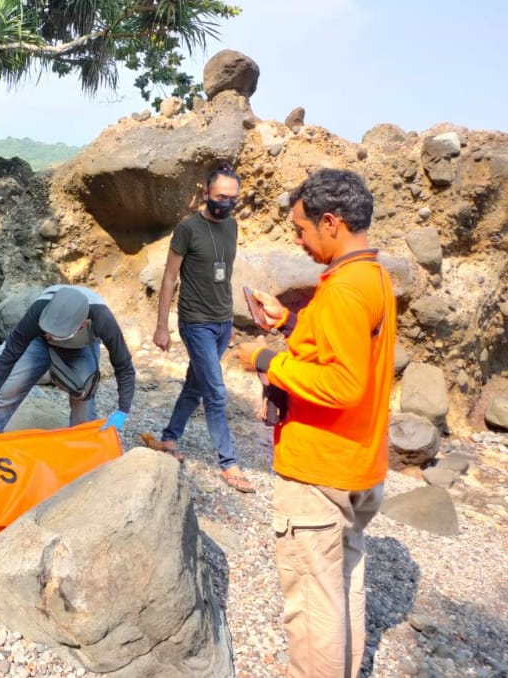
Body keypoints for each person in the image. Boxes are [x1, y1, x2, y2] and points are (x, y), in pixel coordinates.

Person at [237, 168, 396, 677]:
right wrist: (287, 322)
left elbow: (344, 383)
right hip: (356, 465)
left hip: (319, 473)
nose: (300, 242)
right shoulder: (370, 276)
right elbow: (339, 344)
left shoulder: (347, 288)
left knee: (312, 605)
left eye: (302, 230)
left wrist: (266, 361)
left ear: (331, 222)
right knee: (342, 588)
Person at [150, 166, 253, 493]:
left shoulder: (232, 226)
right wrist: (162, 326)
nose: (227, 204)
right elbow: (169, 278)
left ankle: (169, 439)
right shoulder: (188, 229)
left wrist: (231, 322)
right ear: (206, 193)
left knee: (195, 385)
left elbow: (226, 274)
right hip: (195, 322)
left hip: (222, 322)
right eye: (221, 197)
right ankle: (228, 462)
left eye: (233, 198)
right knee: (215, 391)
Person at [0, 285, 135, 437]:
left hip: (80, 347)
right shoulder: (39, 310)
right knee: (9, 389)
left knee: (83, 396)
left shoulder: (101, 319)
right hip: (39, 342)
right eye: (50, 331)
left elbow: (124, 366)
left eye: (56, 333)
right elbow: (6, 357)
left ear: (83, 323)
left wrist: (122, 411)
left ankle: (82, 447)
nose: (52, 336)